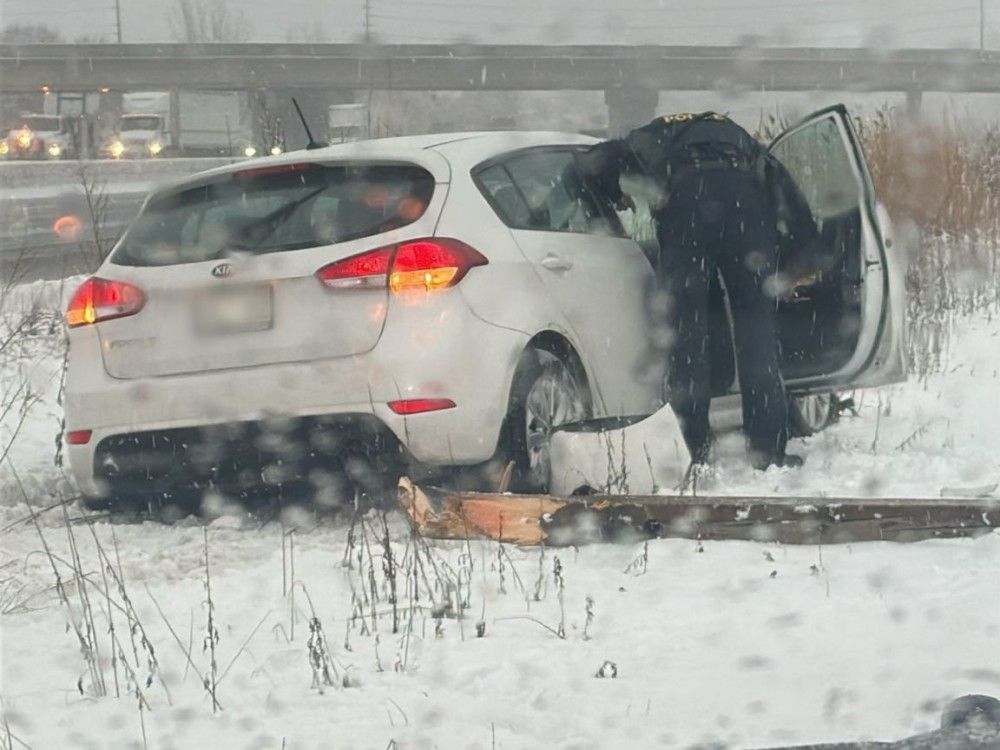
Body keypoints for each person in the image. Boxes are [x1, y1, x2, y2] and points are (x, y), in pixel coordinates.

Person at [581, 112, 805, 471]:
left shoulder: (655, 134)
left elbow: (599, 160)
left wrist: (613, 193)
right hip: (745, 209)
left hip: (687, 206)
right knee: (757, 330)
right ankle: (768, 450)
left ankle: (691, 446)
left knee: (687, 335)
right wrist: (799, 256)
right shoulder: (740, 137)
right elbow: (785, 190)